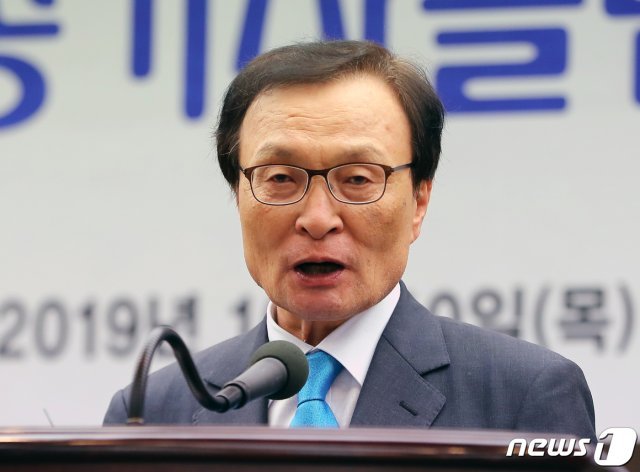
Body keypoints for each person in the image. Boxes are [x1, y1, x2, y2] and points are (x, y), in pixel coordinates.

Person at [104, 40, 595, 440]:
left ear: (419, 202)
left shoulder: (520, 396)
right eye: (281, 178)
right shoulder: (157, 408)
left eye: (358, 179)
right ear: (238, 194)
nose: (318, 219)